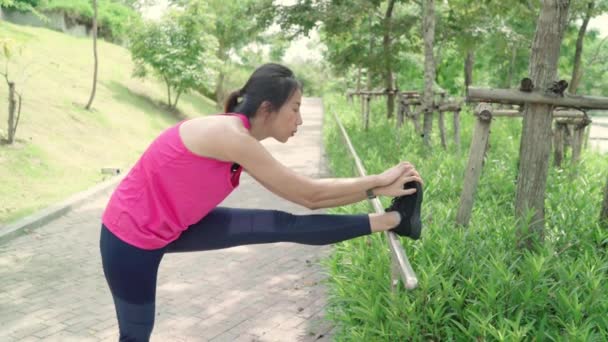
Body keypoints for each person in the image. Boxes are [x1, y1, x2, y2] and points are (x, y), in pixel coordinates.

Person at [99, 63, 423, 341]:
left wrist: (377, 190)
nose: (299, 121)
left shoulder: (237, 134)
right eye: (295, 109)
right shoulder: (232, 137)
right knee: (135, 336)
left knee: (279, 224)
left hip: (177, 226)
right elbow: (310, 196)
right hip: (129, 239)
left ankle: (395, 221)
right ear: (267, 108)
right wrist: (378, 182)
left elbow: (310, 195)